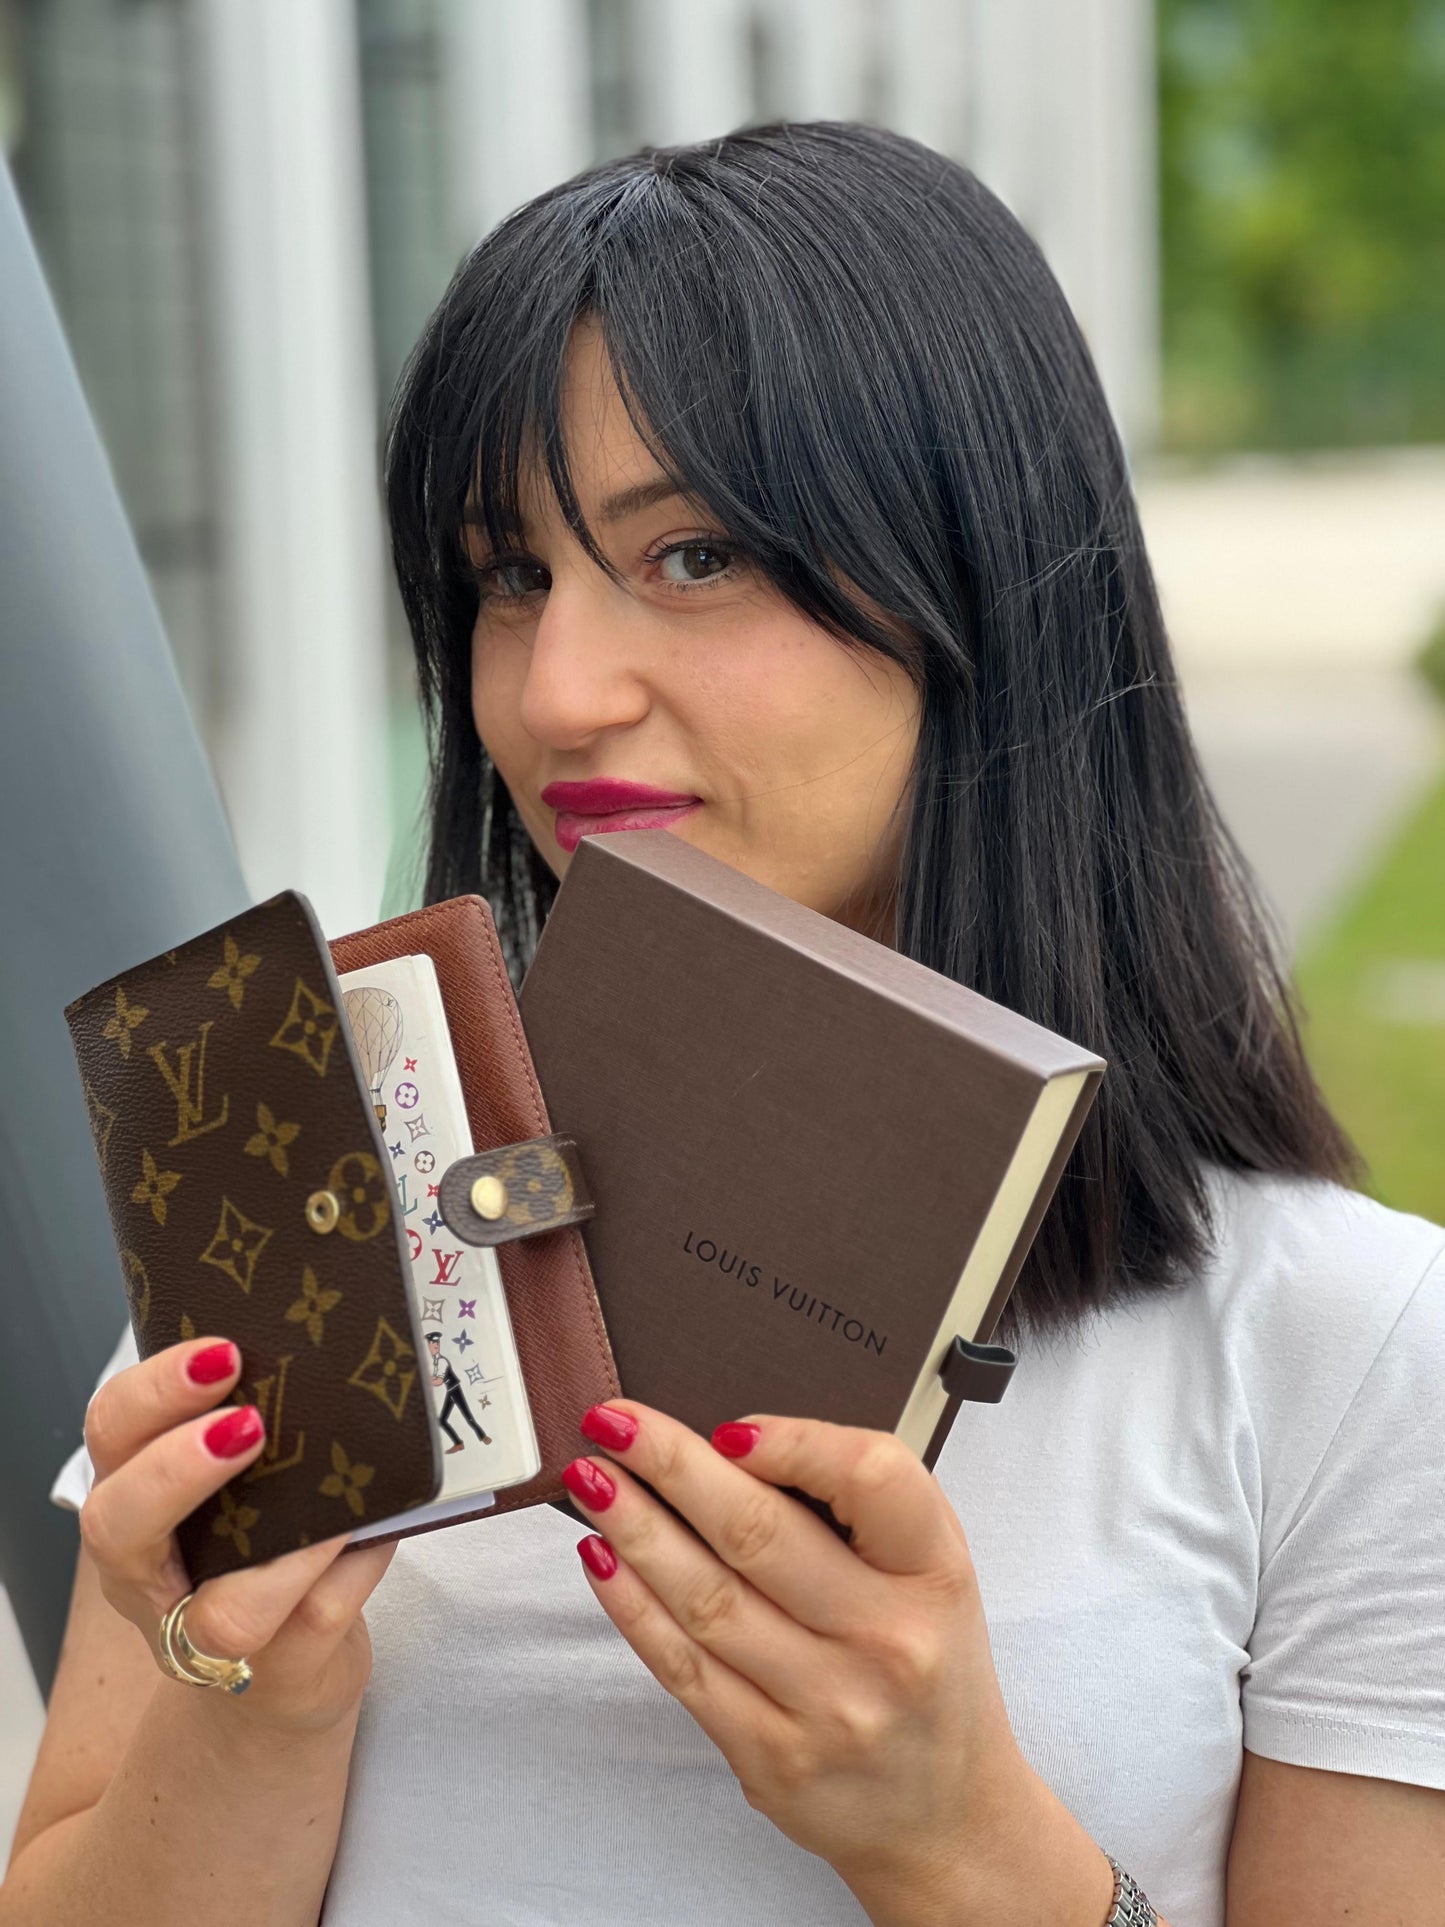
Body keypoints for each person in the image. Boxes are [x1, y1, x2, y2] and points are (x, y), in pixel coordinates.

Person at [4, 122, 1443, 1927]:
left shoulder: (1346, 1343)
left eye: (691, 555)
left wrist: (952, 1837)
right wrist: (253, 1707)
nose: (556, 690)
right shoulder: (323, 1201)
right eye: (507, 575)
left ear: (980, 584)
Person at [426, 1331, 492, 1452]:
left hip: (455, 1390)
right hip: (451, 1390)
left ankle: (482, 1437)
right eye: (432, 1344)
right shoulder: (436, 1361)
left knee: (466, 1416)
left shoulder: (441, 1361)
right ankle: (459, 1443)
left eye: (436, 1343)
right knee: (442, 1420)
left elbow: (439, 1381)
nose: (435, 1346)